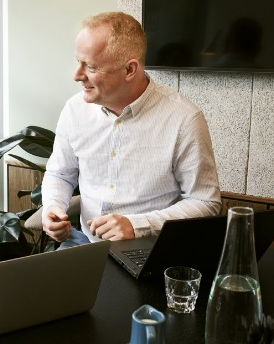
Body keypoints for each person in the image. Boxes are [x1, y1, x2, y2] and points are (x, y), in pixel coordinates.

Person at [41, 12, 221, 248]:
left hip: (151, 248)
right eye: (78, 62)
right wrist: (53, 206)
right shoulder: (74, 110)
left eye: (91, 67)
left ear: (129, 70)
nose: (77, 76)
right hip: (84, 243)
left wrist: (138, 225)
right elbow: (60, 174)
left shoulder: (184, 119)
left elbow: (205, 202)